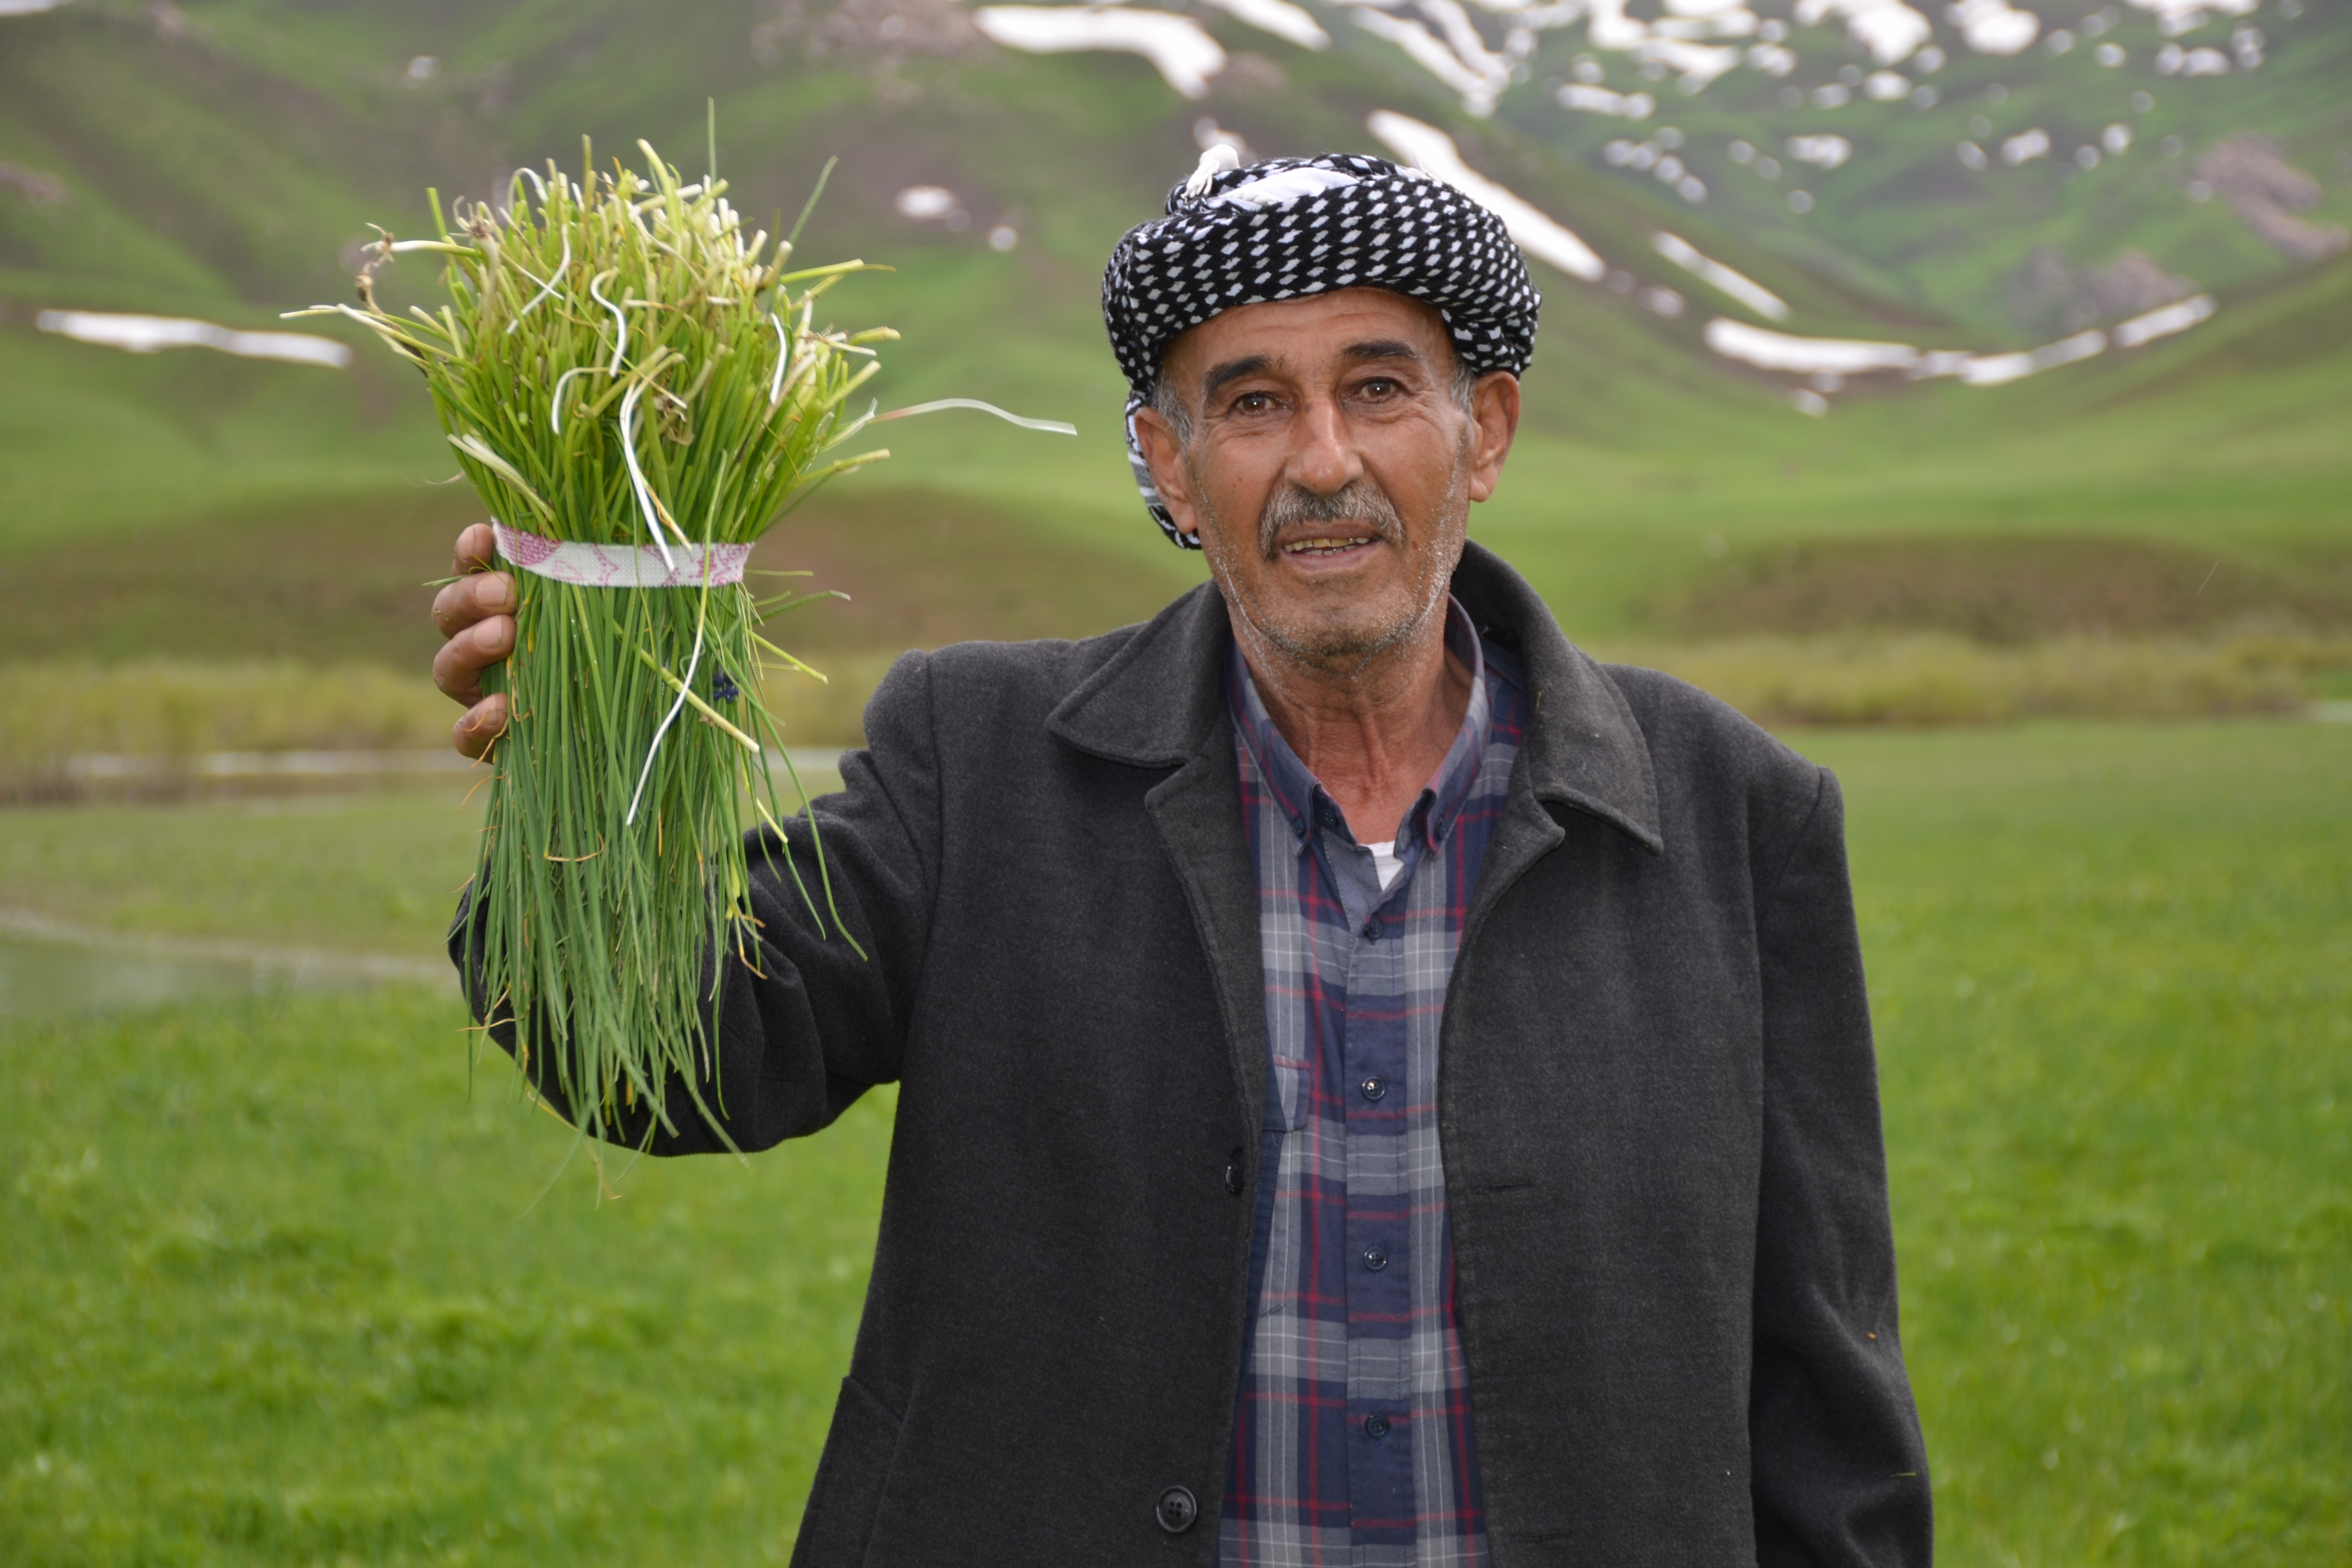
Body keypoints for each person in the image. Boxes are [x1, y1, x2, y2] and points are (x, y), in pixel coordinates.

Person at [432, 150, 1930, 1567]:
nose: (1323, 461)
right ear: (1169, 461)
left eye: (1382, 389)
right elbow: (675, 1054)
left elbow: (1827, 1382)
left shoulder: (1736, 814)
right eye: (1255, 402)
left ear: (1486, 436)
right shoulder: (986, 759)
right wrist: (574, 754)